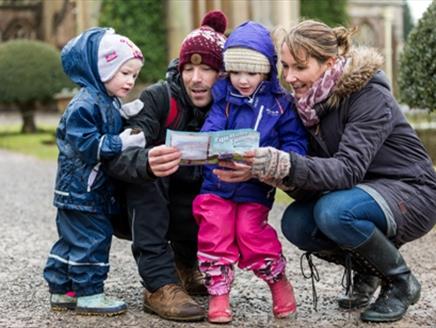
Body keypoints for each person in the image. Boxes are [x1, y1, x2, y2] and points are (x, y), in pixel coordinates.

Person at [215, 19, 436, 323]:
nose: (289, 77)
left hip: (413, 192)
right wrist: (266, 171)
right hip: (360, 194)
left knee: (333, 212)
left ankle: (400, 282)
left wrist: (283, 163)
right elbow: (311, 185)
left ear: (329, 62)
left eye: (300, 68)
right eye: (286, 67)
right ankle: (367, 271)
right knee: (297, 222)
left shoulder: (369, 95)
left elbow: (347, 170)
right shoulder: (306, 105)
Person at [105, 11, 228, 322]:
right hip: (139, 207)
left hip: (196, 205)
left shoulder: (232, 105)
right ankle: (158, 285)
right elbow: (118, 154)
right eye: (188, 68)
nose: (196, 79)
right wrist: (146, 161)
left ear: (223, 73)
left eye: (208, 69)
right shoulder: (160, 98)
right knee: (151, 177)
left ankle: (186, 265)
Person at [191, 21, 307, 324]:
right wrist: (210, 145)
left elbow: (294, 142)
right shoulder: (223, 100)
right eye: (236, 72)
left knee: (250, 233)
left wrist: (282, 160)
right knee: (214, 232)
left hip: (255, 187)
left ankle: (278, 281)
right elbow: (210, 132)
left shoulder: (281, 106)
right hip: (216, 184)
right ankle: (218, 294)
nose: (242, 80)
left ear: (267, 71)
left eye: (251, 73)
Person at [43, 27, 145, 316]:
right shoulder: (85, 104)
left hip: (79, 190)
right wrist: (121, 141)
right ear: (104, 68)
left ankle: (62, 288)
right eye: (124, 73)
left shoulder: (104, 99)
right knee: (93, 238)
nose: (130, 80)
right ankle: (89, 293)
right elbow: (87, 144)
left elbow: (106, 121)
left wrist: (125, 114)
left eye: (134, 75)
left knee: (71, 240)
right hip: (82, 189)